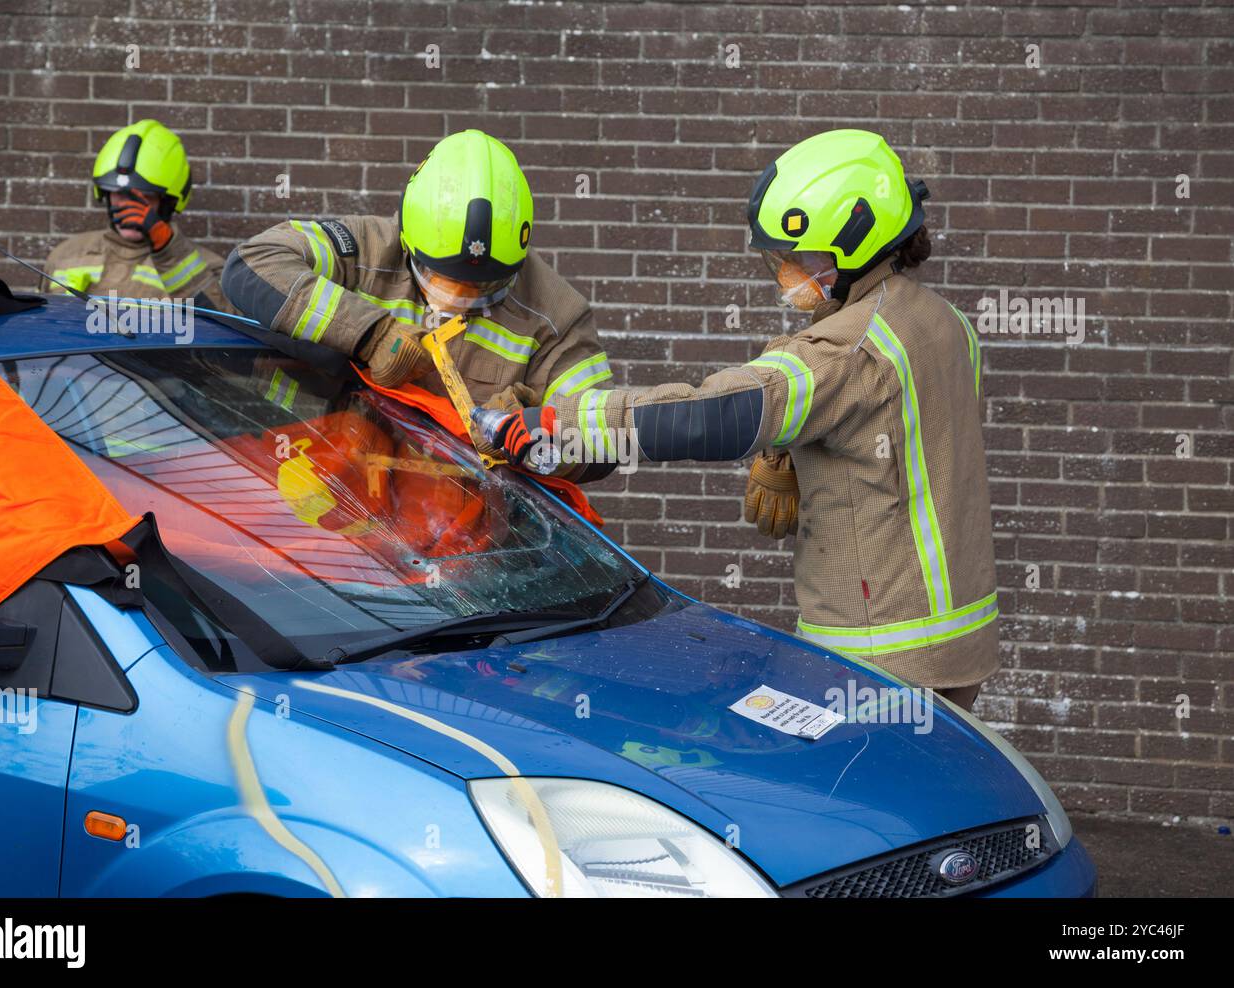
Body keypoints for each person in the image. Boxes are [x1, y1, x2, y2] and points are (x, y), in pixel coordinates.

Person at [487, 129, 998, 711]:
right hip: (956, 641)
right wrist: (787, 450)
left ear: (857, 245)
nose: (784, 271)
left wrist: (563, 423)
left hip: (881, 655)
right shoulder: (943, 322)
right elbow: (891, 433)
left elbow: (717, 412)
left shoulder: (846, 349)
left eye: (798, 258)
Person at [220, 129, 614, 479]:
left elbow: (600, 445)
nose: (458, 301)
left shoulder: (557, 316)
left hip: (450, 534)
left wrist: (530, 436)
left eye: (481, 287)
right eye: (442, 279)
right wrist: (371, 335)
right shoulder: (365, 250)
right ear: (409, 241)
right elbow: (252, 265)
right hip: (311, 484)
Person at [43, 119, 234, 311]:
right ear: (106, 195)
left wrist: (170, 252)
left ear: (168, 202)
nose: (129, 206)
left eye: (145, 196)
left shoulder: (210, 269)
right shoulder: (65, 255)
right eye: (119, 193)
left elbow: (226, 325)